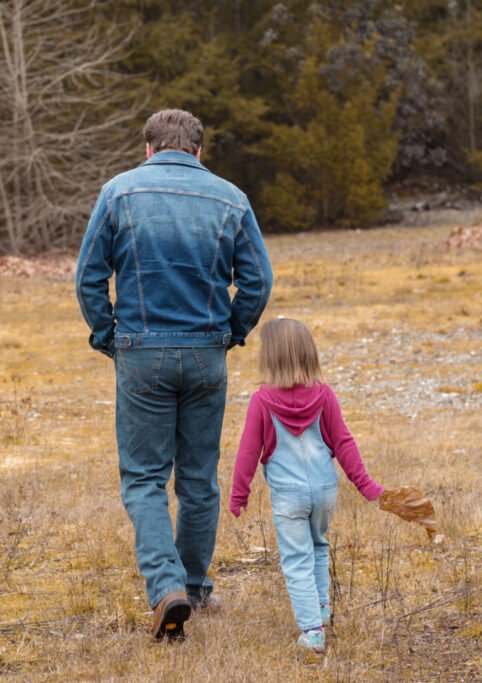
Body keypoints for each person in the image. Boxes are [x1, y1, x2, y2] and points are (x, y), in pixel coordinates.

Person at [76, 109, 273, 641]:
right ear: (199, 152)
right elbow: (258, 280)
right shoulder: (231, 198)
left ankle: (167, 587)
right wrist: (230, 332)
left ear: (147, 148)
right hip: (206, 352)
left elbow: (88, 276)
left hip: (142, 351)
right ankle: (194, 587)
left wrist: (107, 336)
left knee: (143, 478)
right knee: (198, 479)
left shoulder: (118, 193)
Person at [229, 318, 384, 655]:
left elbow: (248, 451)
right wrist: (365, 485)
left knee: (296, 559)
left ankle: (312, 632)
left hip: (289, 496)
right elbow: (343, 442)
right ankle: (322, 609)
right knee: (317, 546)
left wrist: (239, 495)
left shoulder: (262, 401)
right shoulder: (325, 395)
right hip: (325, 490)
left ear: (270, 358)